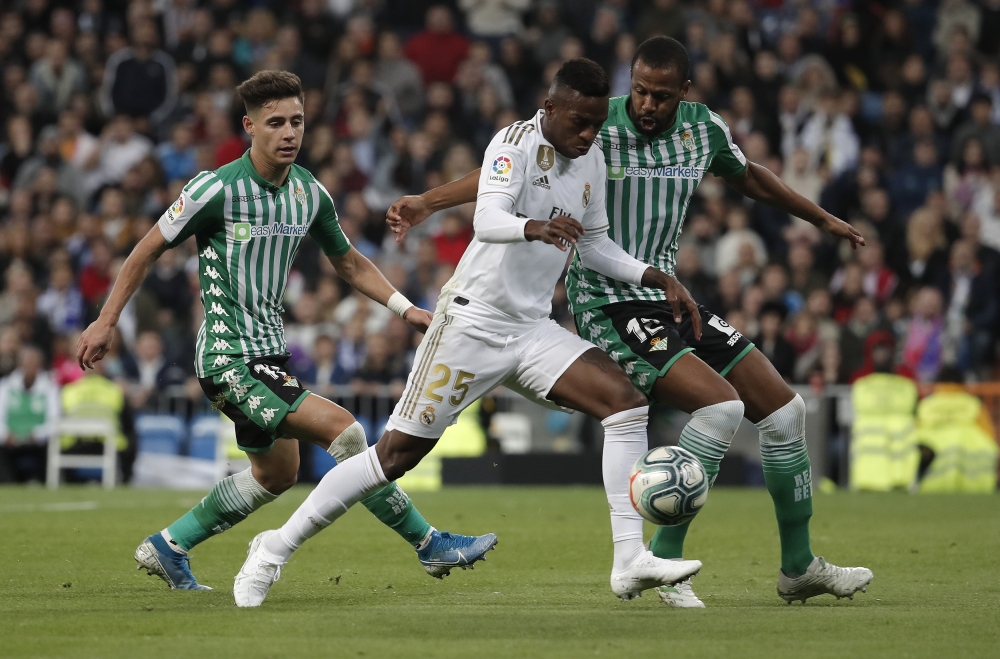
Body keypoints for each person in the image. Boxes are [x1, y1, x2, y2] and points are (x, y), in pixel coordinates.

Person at [387, 37, 873, 607]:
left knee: (787, 413)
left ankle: (799, 567)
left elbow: (751, 177)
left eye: (661, 96)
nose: (647, 104)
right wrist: (430, 202)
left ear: (684, 92)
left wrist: (820, 218)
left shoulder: (704, 131)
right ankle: (664, 563)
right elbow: (509, 170)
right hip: (607, 301)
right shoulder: (597, 122)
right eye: (639, 90)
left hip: (664, 293)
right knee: (720, 409)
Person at [233, 59, 703, 608]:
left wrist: (653, 275)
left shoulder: (592, 159)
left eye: (597, 124)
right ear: (549, 108)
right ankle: (273, 548)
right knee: (394, 456)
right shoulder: (514, 143)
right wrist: (533, 226)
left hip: (531, 330)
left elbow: (594, 244)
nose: (588, 135)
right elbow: (487, 219)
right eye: (579, 122)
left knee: (625, 405)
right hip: (470, 324)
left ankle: (629, 560)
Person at [75, 70, 495, 592]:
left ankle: (169, 544)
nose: (290, 132)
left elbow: (349, 262)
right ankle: (429, 543)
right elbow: (146, 249)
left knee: (277, 475)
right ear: (249, 126)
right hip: (228, 356)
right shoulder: (214, 188)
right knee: (345, 431)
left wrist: (404, 308)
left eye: (297, 121)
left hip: (271, 356)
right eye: (275, 123)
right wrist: (106, 320)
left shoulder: (309, 193)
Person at [0, 346, 61, 483]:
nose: (30, 368)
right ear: (20, 365)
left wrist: (38, 434)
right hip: (11, 440)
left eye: (34, 364)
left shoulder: (50, 388)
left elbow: (55, 420)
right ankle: (8, 484)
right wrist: (5, 434)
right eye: (27, 364)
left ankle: (44, 482)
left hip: (37, 441)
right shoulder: (5, 386)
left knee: (50, 449)